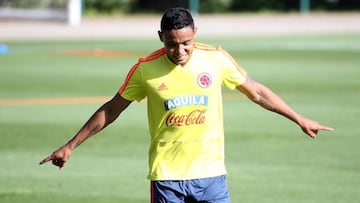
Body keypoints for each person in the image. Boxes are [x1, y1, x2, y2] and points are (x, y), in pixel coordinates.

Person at [40, 7, 333, 203]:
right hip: (168, 178)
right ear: (161, 38)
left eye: (186, 43)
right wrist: (71, 145)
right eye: (171, 44)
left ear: (195, 34)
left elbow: (256, 92)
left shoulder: (216, 58)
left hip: (211, 175)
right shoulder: (145, 70)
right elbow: (112, 109)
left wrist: (298, 118)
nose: (179, 51)